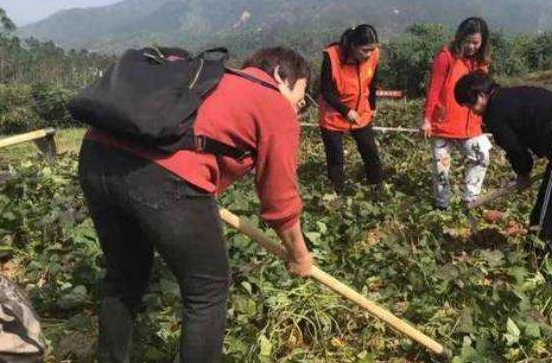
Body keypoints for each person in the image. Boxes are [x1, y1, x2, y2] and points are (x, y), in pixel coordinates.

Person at [78, 47, 314, 363]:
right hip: (159, 176)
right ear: (280, 75)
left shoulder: (209, 78)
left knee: (125, 277)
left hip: (96, 156)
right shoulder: (272, 101)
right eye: (300, 97)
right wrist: (300, 256)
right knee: (207, 291)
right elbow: (280, 199)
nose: (298, 108)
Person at [454, 72, 552, 256]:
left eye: (470, 104)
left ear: (480, 95)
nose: (473, 111)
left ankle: (539, 262)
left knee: (547, 216)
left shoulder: (495, 111)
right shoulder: (515, 94)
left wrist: (523, 174)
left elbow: (516, 150)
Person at [421, 17, 493, 210]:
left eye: (476, 43)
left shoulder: (481, 62)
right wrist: (427, 119)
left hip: (471, 124)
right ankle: (442, 205)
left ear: (483, 42)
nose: (471, 46)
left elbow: (483, 93)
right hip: (443, 123)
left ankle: (470, 199)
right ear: (459, 38)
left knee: (482, 156)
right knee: (441, 169)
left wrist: (486, 118)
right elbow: (434, 89)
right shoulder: (446, 57)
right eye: (467, 41)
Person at [318, 24, 383, 193]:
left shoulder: (373, 56)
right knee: (336, 158)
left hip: (361, 112)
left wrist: (373, 106)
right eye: (365, 50)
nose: (369, 54)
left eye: (372, 50)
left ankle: (377, 188)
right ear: (353, 46)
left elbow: (373, 82)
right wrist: (345, 111)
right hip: (333, 113)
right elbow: (325, 90)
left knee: (370, 152)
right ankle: (337, 193)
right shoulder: (332, 57)